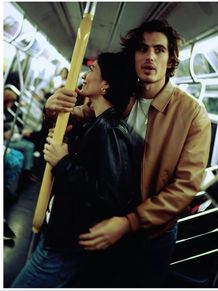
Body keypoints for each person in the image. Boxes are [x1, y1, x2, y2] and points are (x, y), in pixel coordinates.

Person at [41, 19, 211, 287]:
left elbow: (184, 187)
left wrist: (129, 222)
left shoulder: (191, 114)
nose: (150, 57)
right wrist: (52, 109)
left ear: (170, 60)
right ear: (133, 56)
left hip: (152, 235)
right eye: (142, 49)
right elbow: (77, 116)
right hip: (106, 222)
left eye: (159, 50)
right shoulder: (124, 97)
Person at [11, 52, 142, 288]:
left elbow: (109, 195)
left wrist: (64, 162)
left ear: (105, 85)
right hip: (61, 235)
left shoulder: (109, 130)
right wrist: (65, 147)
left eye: (92, 70)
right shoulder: (97, 123)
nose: (84, 74)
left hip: (65, 245)